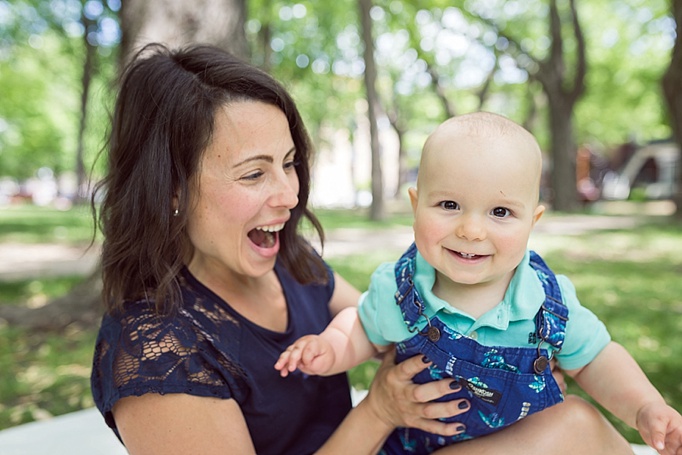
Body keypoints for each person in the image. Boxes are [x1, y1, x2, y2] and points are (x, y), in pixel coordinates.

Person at [89, 43, 635, 455]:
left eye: (288, 163)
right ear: (173, 189)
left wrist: (507, 368)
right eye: (254, 174)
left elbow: (381, 330)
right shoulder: (156, 351)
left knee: (574, 425)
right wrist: (377, 410)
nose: (289, 194)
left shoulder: (290, 263)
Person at [276, 112, 682, 455]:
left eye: (501, 212)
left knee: (582, 424)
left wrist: (644, 406)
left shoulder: (544, 305)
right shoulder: (404, 292)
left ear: (532, 224)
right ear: (417, 206)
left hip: (518, 444)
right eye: (449, 205)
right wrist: (329, 348)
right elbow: (362, 328)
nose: (471, 230)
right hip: (420, 445)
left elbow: (596, 359)